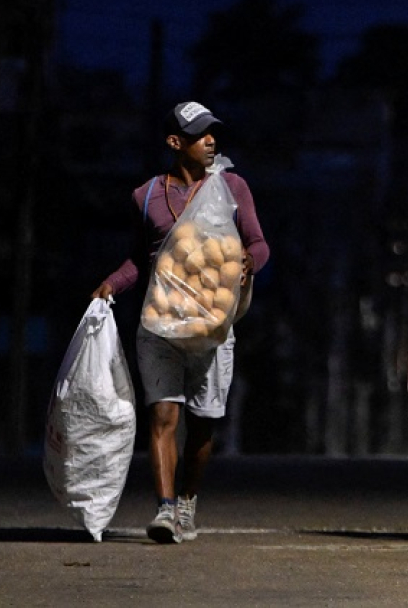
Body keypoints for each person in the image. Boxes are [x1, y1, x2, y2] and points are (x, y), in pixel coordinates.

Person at [93, 100, 269, 544]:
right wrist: (112, 284)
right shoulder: (146, 196)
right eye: (199, 135)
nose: (210, 140)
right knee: (163, 415)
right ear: (175, 142)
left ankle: (188, 498)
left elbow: (258, 243)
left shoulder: (231, 187)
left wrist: (249, 262)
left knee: (203, 423)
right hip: (161, 324)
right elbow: (140, 259)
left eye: (213, 133)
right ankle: (166, 509)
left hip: (212, 327)